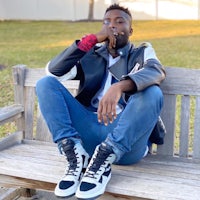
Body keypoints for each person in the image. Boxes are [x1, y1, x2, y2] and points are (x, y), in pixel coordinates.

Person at [36, 3, 166, 199]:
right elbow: (54, 71)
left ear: (130, 30)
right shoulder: (90, 55)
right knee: (45, 83)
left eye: (119, 21)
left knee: (153, 92)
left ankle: (106, 156)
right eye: (107, 22)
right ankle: (74, 155)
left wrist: (120, 86)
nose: (112, 26)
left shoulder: (141, 52)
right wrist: (91, 40)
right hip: (88, 133)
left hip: (126, 142)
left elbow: (156, 71)